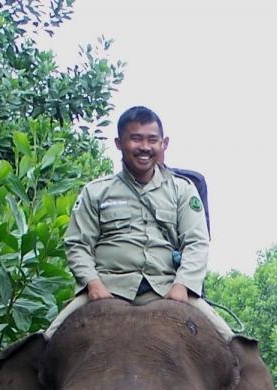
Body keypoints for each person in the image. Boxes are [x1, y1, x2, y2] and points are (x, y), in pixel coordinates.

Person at [51, 106, 233, 339]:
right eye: (136, 139)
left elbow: (197, 242)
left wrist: (182, 286)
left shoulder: (183, 190)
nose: (145, 147)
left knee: (238, 351)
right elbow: (77, 244)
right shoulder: (95, 191)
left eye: (152, 140)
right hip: (108, 286)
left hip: (166, 287)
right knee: (42, 347)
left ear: (163, 143)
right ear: (119, 143)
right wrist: (93, 284)